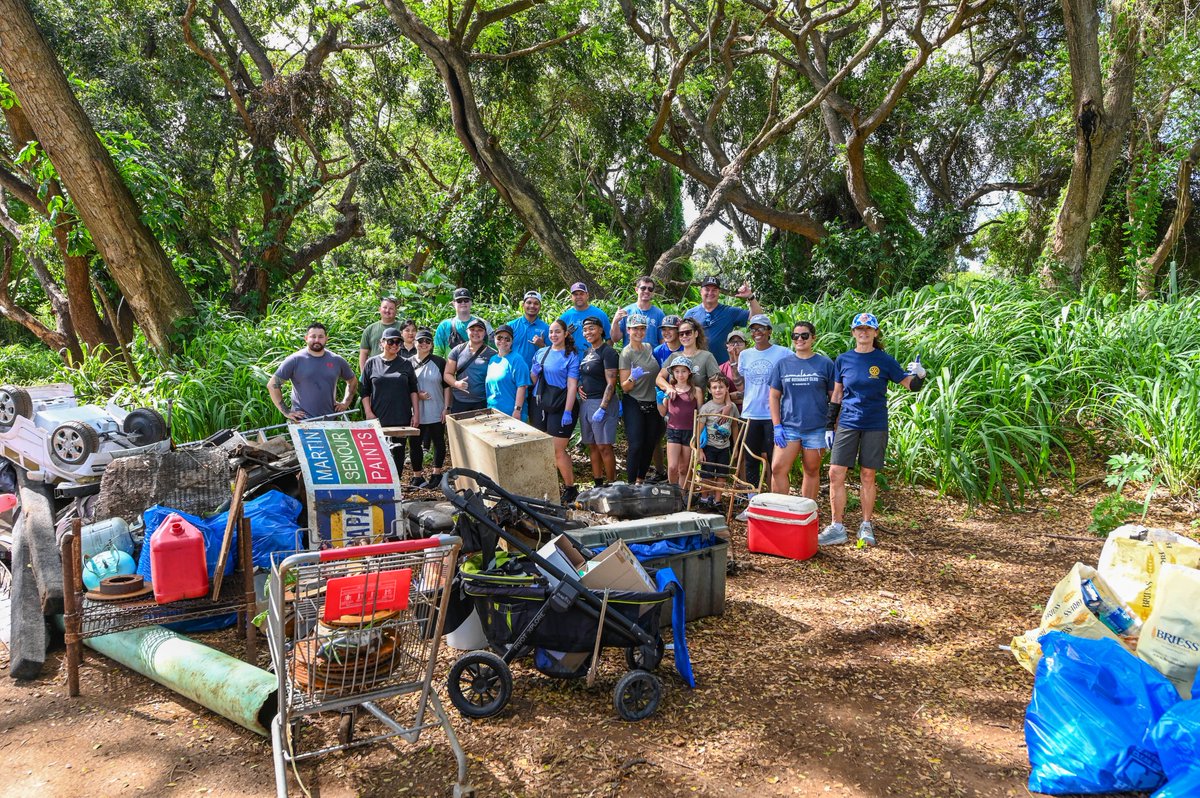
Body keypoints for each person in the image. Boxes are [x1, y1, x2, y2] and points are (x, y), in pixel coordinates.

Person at [820, 312, 926, 547]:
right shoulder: (843, 359)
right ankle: (837, 526)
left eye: (869, 329)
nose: (864, 332)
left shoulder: (884, 360)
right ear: (853, 333)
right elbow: (837, 394)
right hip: (848, 422)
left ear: (875, 333)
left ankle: (866, 525)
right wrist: (829, 425)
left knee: (868, 474)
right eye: (859, 328)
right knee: (836, 472)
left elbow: (910, 385)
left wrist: (920, 374)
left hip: (875, 423)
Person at [769, 321, 836, 500]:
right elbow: (774, 396)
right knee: (777, 468)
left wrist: (832, 426)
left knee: (811, 470)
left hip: (817, 427)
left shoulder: (825, 364)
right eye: (795, 336)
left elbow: (835, 397)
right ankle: (781, 511)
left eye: (804, 335)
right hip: (788, 427)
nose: (800, 339)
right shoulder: (783, 364)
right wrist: (777, 426)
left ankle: (807, 514)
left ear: (813, 338)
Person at [735, 314, 790, 513]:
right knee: (751, 459)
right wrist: (733, 365)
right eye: (753, 329)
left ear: (769, 331)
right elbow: (740, 383)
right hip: (750, 413)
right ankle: (753, 503)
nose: (757, 332)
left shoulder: (782, 352)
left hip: (773, 415)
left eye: (761, 329)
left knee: (775, 461)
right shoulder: (745, 355)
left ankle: (775, 502)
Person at [531, 319, 581, 504]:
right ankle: (548, 486)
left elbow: (572, 385)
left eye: (557, 332)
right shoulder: (541, 352)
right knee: (543, 448)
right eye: (551, 332)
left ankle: (570, 487)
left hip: (562, 405)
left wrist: (568, 411)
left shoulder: (571, 355)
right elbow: (533, 379)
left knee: (557, 449)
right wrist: (535, 372)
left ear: (566, 333)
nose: (554, 335)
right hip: (541, 404)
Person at [361, 328, 421, 475]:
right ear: (382, 343)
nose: (395, 345)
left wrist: (416, 414)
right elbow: (364, 391)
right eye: (391, 341)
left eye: (398, 342)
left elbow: (413, 390)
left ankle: (397, 487)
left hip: (401, 416)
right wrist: (368, 412)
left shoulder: (406, 364)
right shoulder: (371, 363)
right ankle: (381, 487)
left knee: (398, 453)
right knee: (378, 454)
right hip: (378, 416)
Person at [269, 322, 357, 422]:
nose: (316, 340)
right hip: (302, 422)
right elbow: (272, 385)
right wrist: (286, 412)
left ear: (326, 339)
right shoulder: (294, 360)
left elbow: (352, 381)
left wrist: (345, 403)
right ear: (306, 338)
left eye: (320, 337)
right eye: (313, 336)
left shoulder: (337, 360)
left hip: (331, 420)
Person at [619, 314, 665, 484]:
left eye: (642, 328)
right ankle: (630, 485)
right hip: (634, 401)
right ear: (628, 330)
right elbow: (624, 386)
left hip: (652, 402)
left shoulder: (648, 347)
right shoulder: (626, 353)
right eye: (635, 328)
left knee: (650, 442)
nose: (639, 331)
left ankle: (640, 479)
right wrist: (633, 377)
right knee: (636, 444)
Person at [683, 276, 764, 364]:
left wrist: (750, 296)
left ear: (719, 292)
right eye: (707, 289)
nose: (710, 292)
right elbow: (682, 337)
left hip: (723, 367)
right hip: (698, 366)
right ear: (701, 291)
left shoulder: (729, 312)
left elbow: (758, 316)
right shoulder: (690, 314)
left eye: (714, 290)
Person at [578, 316, 620, 486]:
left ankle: (612, 484)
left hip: (602, 403)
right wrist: (581, 385)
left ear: (601, 330)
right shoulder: (588, 352)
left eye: (592, 328)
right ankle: (598, 483)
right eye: (585, 329)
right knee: (592, 445)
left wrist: (603, 407)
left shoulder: (607, 351)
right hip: (586, 404)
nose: (588, 332)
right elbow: (587, 375)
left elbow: (611, 382)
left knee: (604, 446)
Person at [408, 327, 449, 489]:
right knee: (415, 443)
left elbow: (447, 386)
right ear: (414, 343)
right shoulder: (407, 363)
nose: (424, 344)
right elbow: (404, 387)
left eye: (427, 341)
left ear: (431, 344)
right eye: (420, 341)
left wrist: (447, 407)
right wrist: (417, 394)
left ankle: (436, 474)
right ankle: (417, 476)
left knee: (438, 442)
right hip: (415, 412)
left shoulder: (439, 362)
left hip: (436, 409)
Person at [507, 290, 550, 426]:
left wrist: (542, 345)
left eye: (536, 303)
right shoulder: (512, 326)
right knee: (514, 415)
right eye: (529, 302)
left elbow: (552, 353)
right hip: (514, 378)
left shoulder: (546, 328)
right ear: (523, 305)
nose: (532, 306)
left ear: (540, 306)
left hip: (535, 380)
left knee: (534, 419)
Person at [697, 374, 739, 509]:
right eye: (714, 387)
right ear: (709, 390)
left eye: (721, 387)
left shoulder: (731, 407)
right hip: (709, 447)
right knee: (707, 474)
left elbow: (734, 426)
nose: (718, 390)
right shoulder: (706, 408)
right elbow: (698, 429)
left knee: (722, 475)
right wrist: (699, 449)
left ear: (727, 388)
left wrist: (736, 446)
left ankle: (717, 500)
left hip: (724, 447)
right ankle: (704, 499)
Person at [663, 357, 703, 488]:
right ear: (673, 373)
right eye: (677, 371)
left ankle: (681, 495)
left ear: (689, 373)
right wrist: (662, 399)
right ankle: (672, 493)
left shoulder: (696, 391)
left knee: (684, 468)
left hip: (689, 431)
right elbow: (663, 412)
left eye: (684, 371)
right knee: (672, 466)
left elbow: (701, 414)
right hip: (673, 430)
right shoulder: (670, 389)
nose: (680, 375)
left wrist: (700, 434)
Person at [444, 317, 497, 413]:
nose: (476, 333)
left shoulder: (492, 354)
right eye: (472, 330)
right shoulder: (457, 350)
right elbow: (447, 374)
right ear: (467, 331)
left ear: (485, 333)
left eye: (480, 330)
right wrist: (456, 384)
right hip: (459, 401)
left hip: (482, 401)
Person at [657, 318, 720, 395]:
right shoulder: (673, 356)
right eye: (681, 334)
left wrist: (727, 402)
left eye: (688, 333)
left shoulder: (707, 357)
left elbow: (719, 382)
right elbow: (659, 378)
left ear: (696, 334)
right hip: (673, 404)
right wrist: (668, 387)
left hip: (697, 405)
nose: (684, 336)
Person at [485, 324, 531, 420]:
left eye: (507, 339)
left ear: (512, 341)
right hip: (494, 412)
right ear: (494, 339)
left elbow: (522, 387)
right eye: (499, 338)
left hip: (512, 414)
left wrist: (517, 410)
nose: (503, 341)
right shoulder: (493, 359)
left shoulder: (517, 360)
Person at [434, 288, 492, 357]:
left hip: (479, 366)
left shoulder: (483, 324)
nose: (463, 303)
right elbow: (437, 352)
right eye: (459, 301)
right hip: (452, 366)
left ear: (471, 302)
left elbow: (492, 347)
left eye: (466, 300)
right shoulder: (444, 326)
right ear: (453, 303)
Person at [611, 275, 665, 347]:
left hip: (651, 357)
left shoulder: (659, 314)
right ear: (636, 290)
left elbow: (663, 341)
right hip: (630, 356)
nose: (646, 291)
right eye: (643, 288)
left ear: (653, 292)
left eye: (650, 289)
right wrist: (615, 321)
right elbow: (615, 339)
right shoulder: (626, 312)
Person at [557, 282, 610, 352]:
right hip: (571, 359)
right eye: (575, 294)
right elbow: (556, 341)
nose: (578, 297)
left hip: (595, 359)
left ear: (587, 295)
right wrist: (566, 334)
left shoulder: (600, 314)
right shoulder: (565, 317)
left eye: (581, 294)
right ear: (571, 297)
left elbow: (609, 338)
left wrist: (605, 355)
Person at [359, 296, 401, 372]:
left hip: (398, 371)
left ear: (396, 311)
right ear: (379, 309)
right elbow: (363, 353)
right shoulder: (370, 329)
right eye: (385, 307)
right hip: (375, 371)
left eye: (391, 308)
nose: (387, 310)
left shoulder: (403, 328)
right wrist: (363, 374)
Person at [720, 329, 747, 408]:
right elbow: (719, 396)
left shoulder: (751, 365)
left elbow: (756, 394)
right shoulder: (722, 369)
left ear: (746, 345)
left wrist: (731, 397)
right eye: (732, 342)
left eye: (740, 342)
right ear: (727, 345)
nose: (736, 345)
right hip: (729, 411)